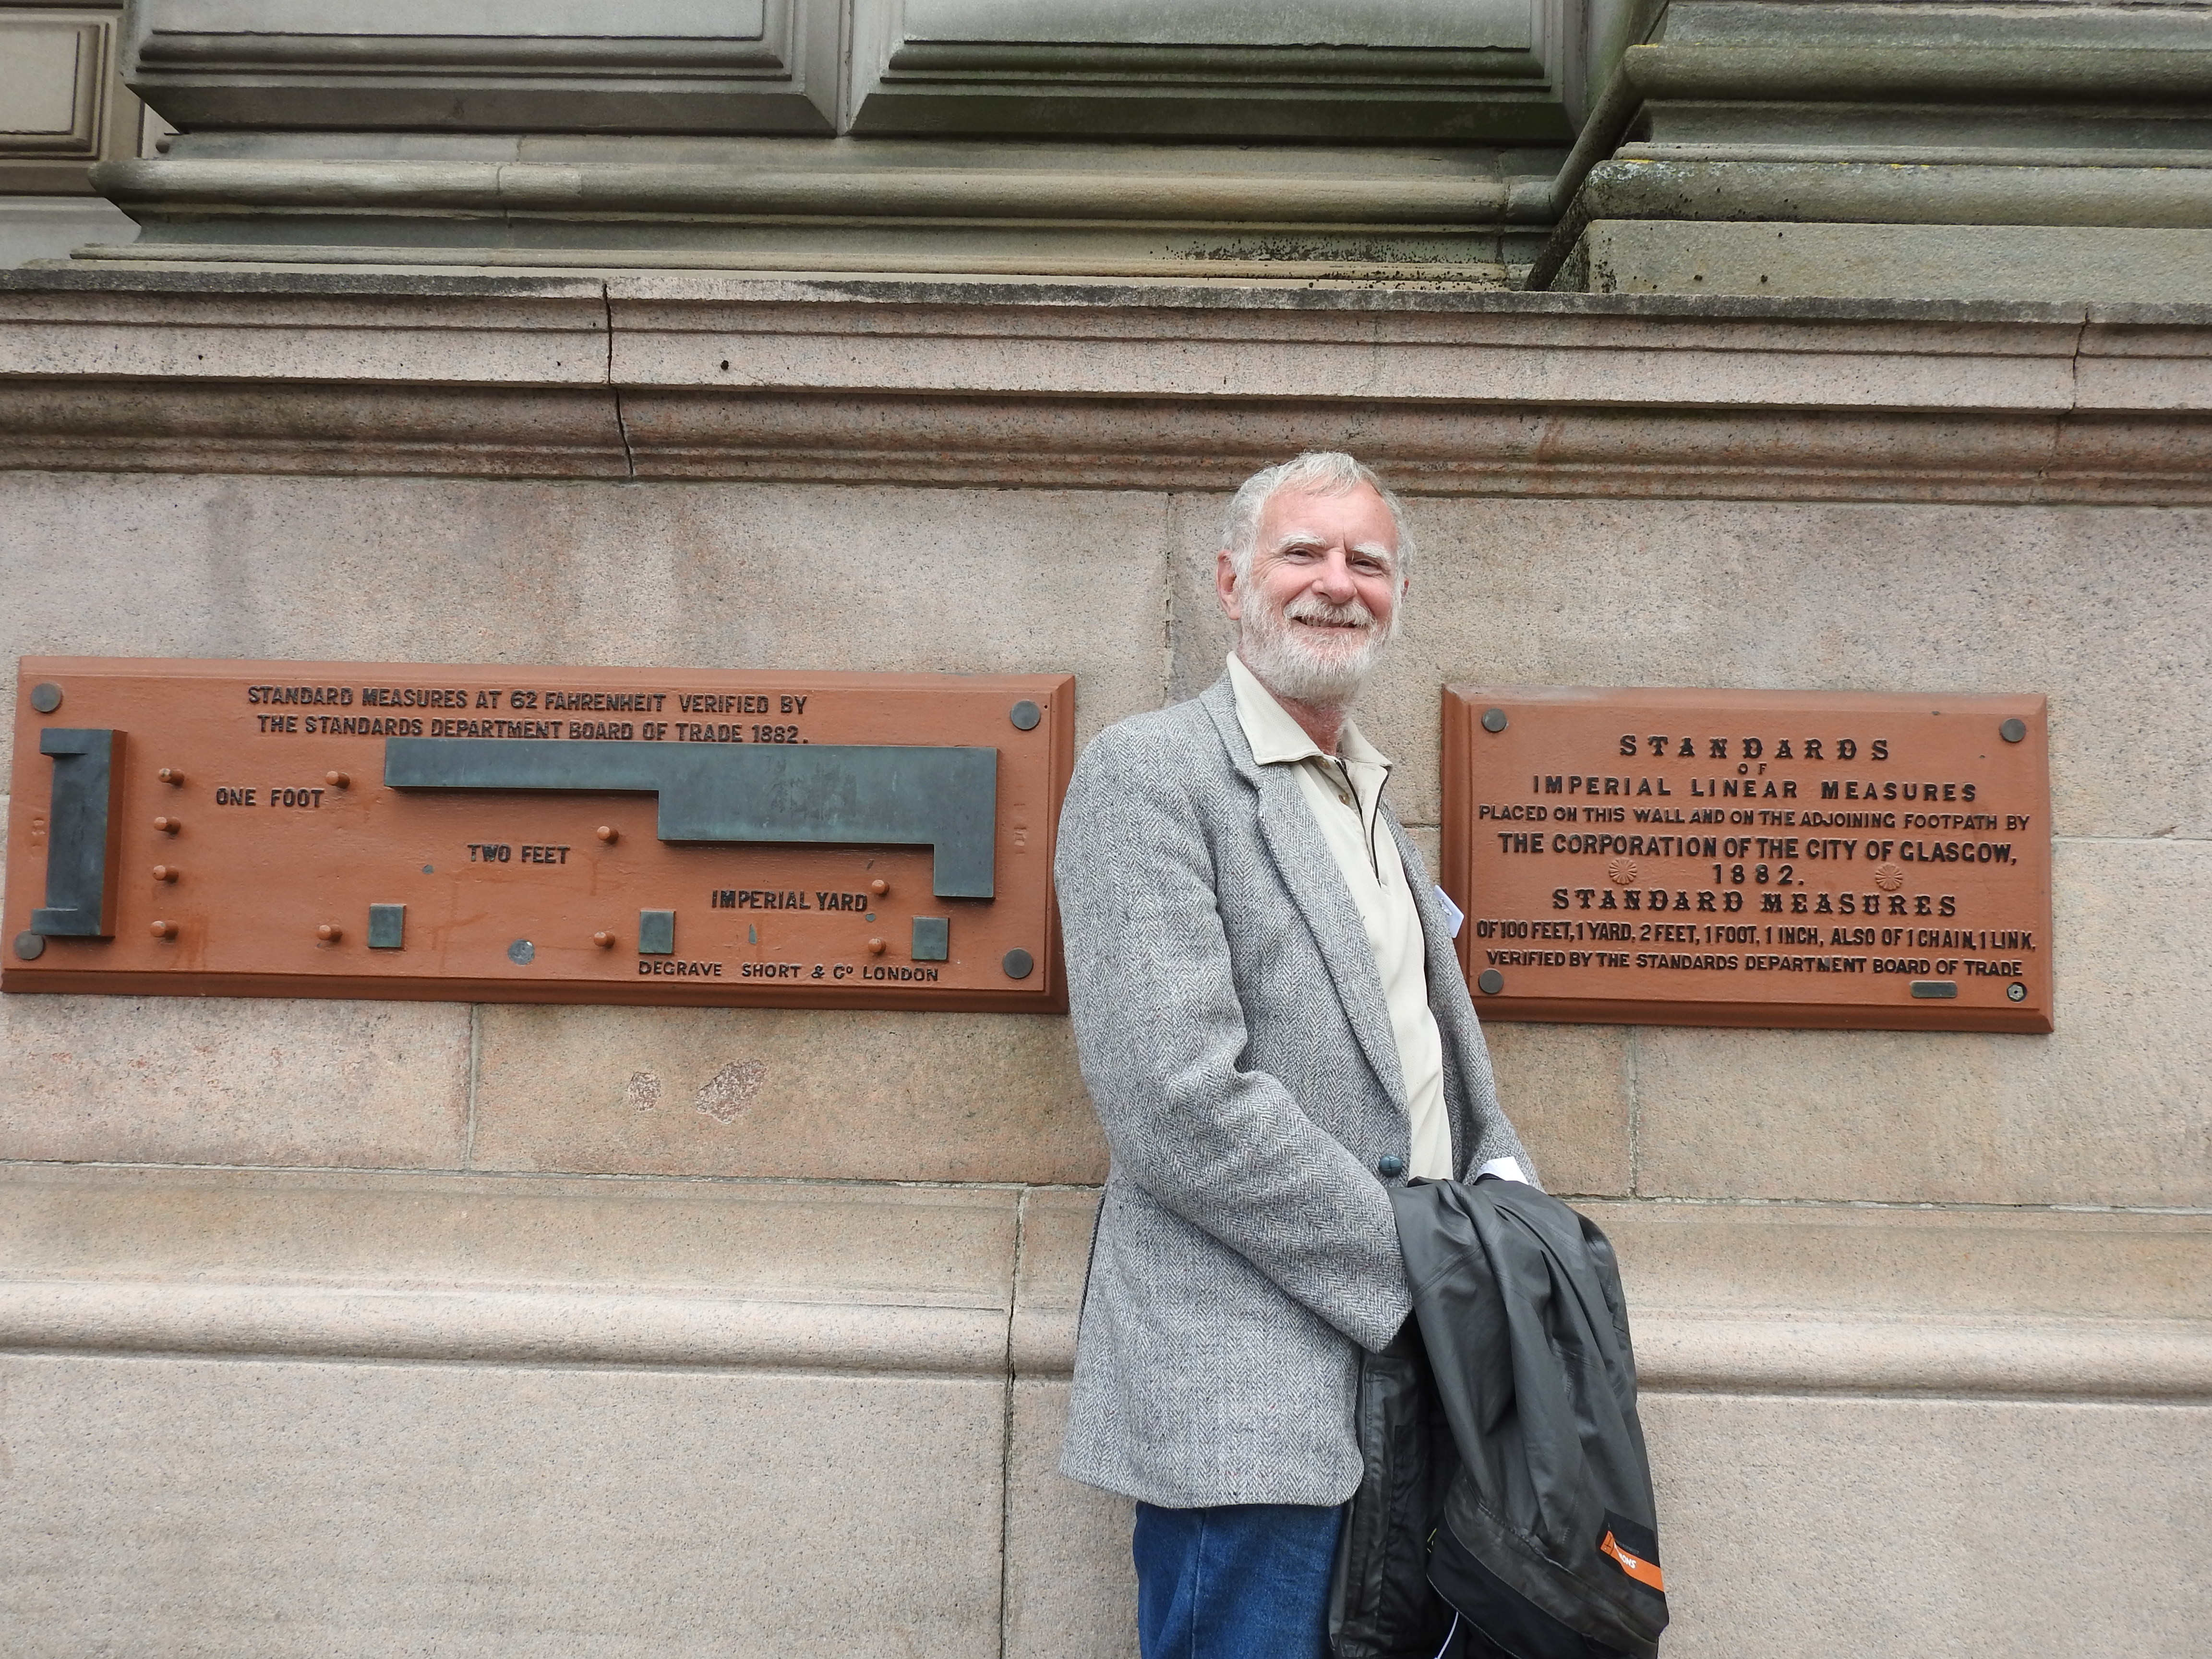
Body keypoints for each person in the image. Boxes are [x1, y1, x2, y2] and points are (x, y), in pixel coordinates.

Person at [1052, 451, 1537, 1659]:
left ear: (1398, 596)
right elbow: (1176, 1101)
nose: (1337, 583)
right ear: (1231, 583)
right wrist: (1427, 1271)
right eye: (1302, 553)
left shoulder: (1368, 799)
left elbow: (1428, 1063)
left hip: (1425, 1391)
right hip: (1250, 1410)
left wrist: (1512, 1213)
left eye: (1367, 562)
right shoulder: (1151, 774)